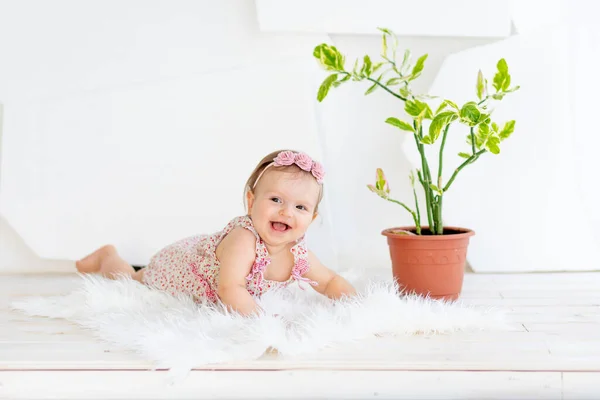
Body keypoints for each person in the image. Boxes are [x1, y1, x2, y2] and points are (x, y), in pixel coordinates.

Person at [76, 149, 356, 315]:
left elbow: (330, 281)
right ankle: (107, 257)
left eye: (300, 207)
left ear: (312, 218)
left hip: (203, 253)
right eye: (275, 200)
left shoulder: (298, 253)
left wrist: (356, 307)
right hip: (184, 264)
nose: (286, 212)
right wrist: (263, 323)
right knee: (133, 280)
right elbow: (230, 288)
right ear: (251, 201)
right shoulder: (244, 240)